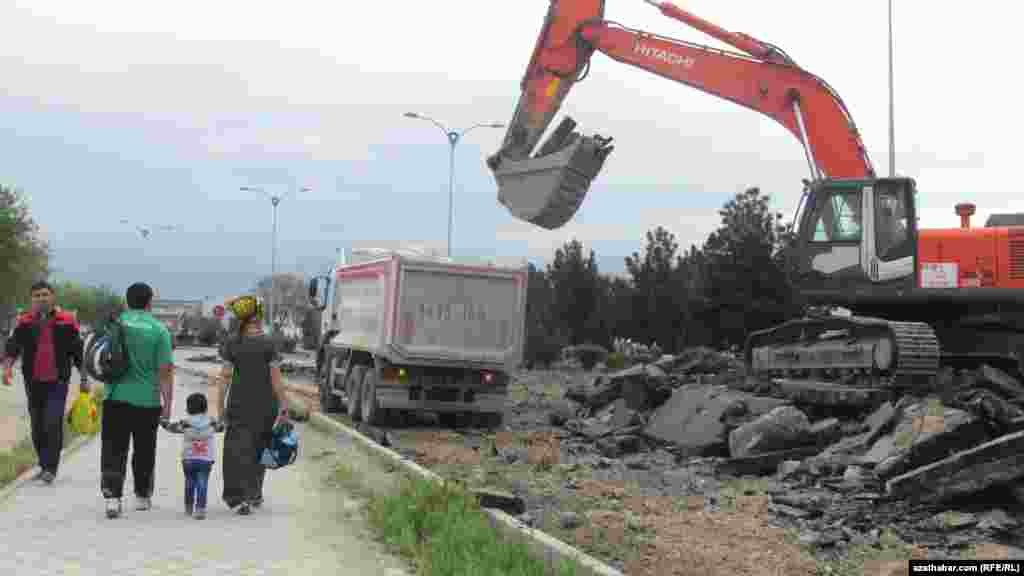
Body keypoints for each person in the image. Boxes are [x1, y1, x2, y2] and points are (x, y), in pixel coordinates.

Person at [100, 282, 174, 519]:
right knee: (144, 449)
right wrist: (167, 405)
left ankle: (112, 498)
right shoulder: (159, 330)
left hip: (115, 397)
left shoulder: (116, 324)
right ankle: (142, 496)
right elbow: (164, 372)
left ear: (126, 300)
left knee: (114, 448)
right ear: (150, 302)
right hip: (147, 401)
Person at [2, 281, 88, 485]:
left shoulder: (66, 322)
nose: (41, 298)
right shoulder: (24, 322)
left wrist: (84, 378)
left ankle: (51, 468)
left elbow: (78, 353)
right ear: (32, 299)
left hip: (58, 380)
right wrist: (6, 368)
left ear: (53, 297)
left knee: (53, 421)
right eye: (37, 295)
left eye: (45, 294)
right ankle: (43, 463)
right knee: (37, 425)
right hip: (33, 381)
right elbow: (12, 347)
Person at [214, 295, 289, 515]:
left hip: (238, 405)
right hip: (266, 406)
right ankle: (254, 492)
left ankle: (237, 497)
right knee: (260, 448)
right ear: (258, 316)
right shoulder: (269, 343)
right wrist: (283, 406)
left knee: (236, 450)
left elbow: (225, 377)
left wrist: (220, 408)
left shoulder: (233, 343)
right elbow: (276, 379)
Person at [161, 392, 225, 520]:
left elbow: (172, 428)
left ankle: (189, 506)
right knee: (203, 482)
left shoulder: (185, 423)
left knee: (189, 482)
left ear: (188, 408)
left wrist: (163, 422)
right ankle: (200, 508)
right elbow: (221, 427)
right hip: (206, 459)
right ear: (205, 407)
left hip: (189, 458)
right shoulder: (211, 422)